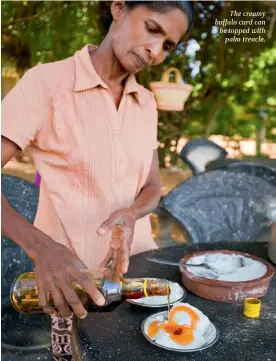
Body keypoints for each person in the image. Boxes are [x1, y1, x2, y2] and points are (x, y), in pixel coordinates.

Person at [2, 1, 194, 321]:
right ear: (119, 8)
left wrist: (132, 214)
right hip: (72, 284)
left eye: (168, 46)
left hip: (138, 276)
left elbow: (151, 186)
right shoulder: (46, 83)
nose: (156, 52)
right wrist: (41, 247)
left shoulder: (145, 103)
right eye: (152, 29)